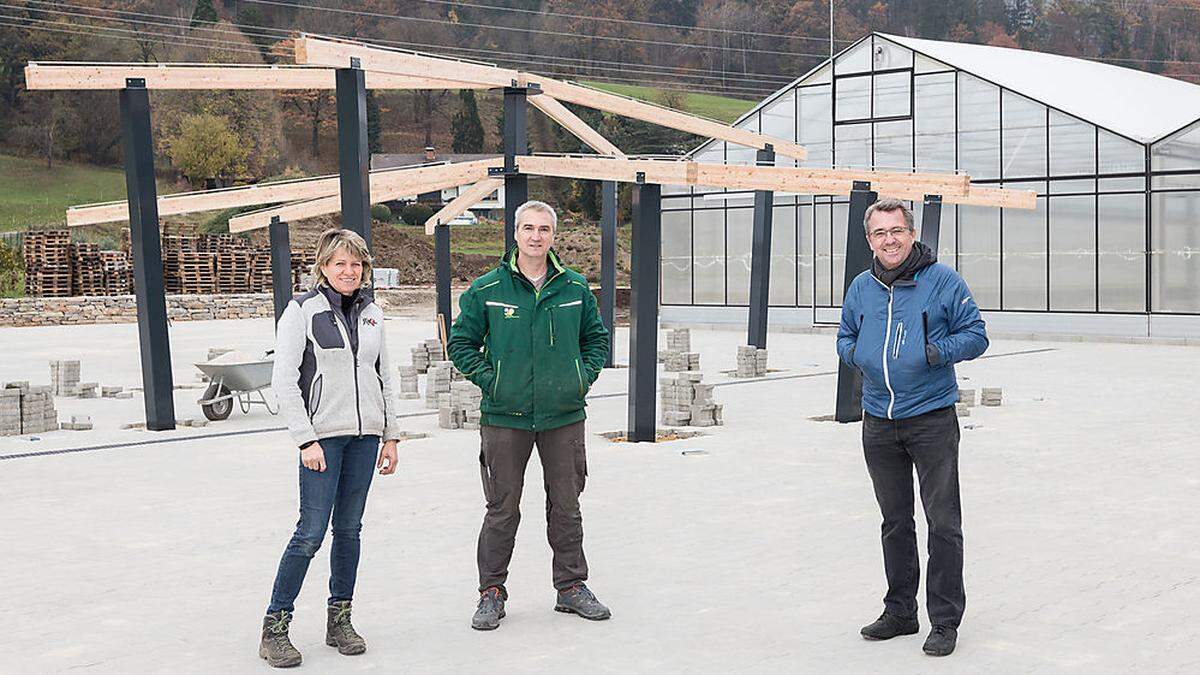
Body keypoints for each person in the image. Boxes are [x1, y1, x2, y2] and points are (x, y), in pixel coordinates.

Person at [448, 200, 610, 631]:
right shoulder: (487, 290)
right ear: (515, 234)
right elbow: (460, 343)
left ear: (553, 236)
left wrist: (580, 377)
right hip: (505, 417)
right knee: (502, 508)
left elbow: (597, 340)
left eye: (544, 229)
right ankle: (491, 592)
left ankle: (571, 587)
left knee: (567, 505)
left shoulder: (574, 289)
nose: (535, 236)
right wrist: (493, 380)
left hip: (563, 416)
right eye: (527, 228)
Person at [836, 199, 988, 657]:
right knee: (895, 521)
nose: (890, 239)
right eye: (880, 233)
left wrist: (932, 352)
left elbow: (976, 334)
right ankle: (900, 611)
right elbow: (845, 335)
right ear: (870, 240)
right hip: (878, 420)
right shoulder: (862, 286)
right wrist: (857, 354)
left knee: (943, 523)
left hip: (931, 419)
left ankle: (944, 620)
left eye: (897, 230)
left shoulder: (942, 280)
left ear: (911, 232)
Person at [259, 228, 401, 668]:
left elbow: (385, 375)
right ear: (323, 266)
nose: (349, 271)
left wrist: (391, 434)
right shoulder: (301, 311)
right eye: (340, 263)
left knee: (350, 531)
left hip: (365, 438)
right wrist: (305, 439)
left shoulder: (373, 312)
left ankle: (339, 620)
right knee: (310, 533)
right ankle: (275, 628)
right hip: (322, 439)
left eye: (356, 264)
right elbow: (284, 379)